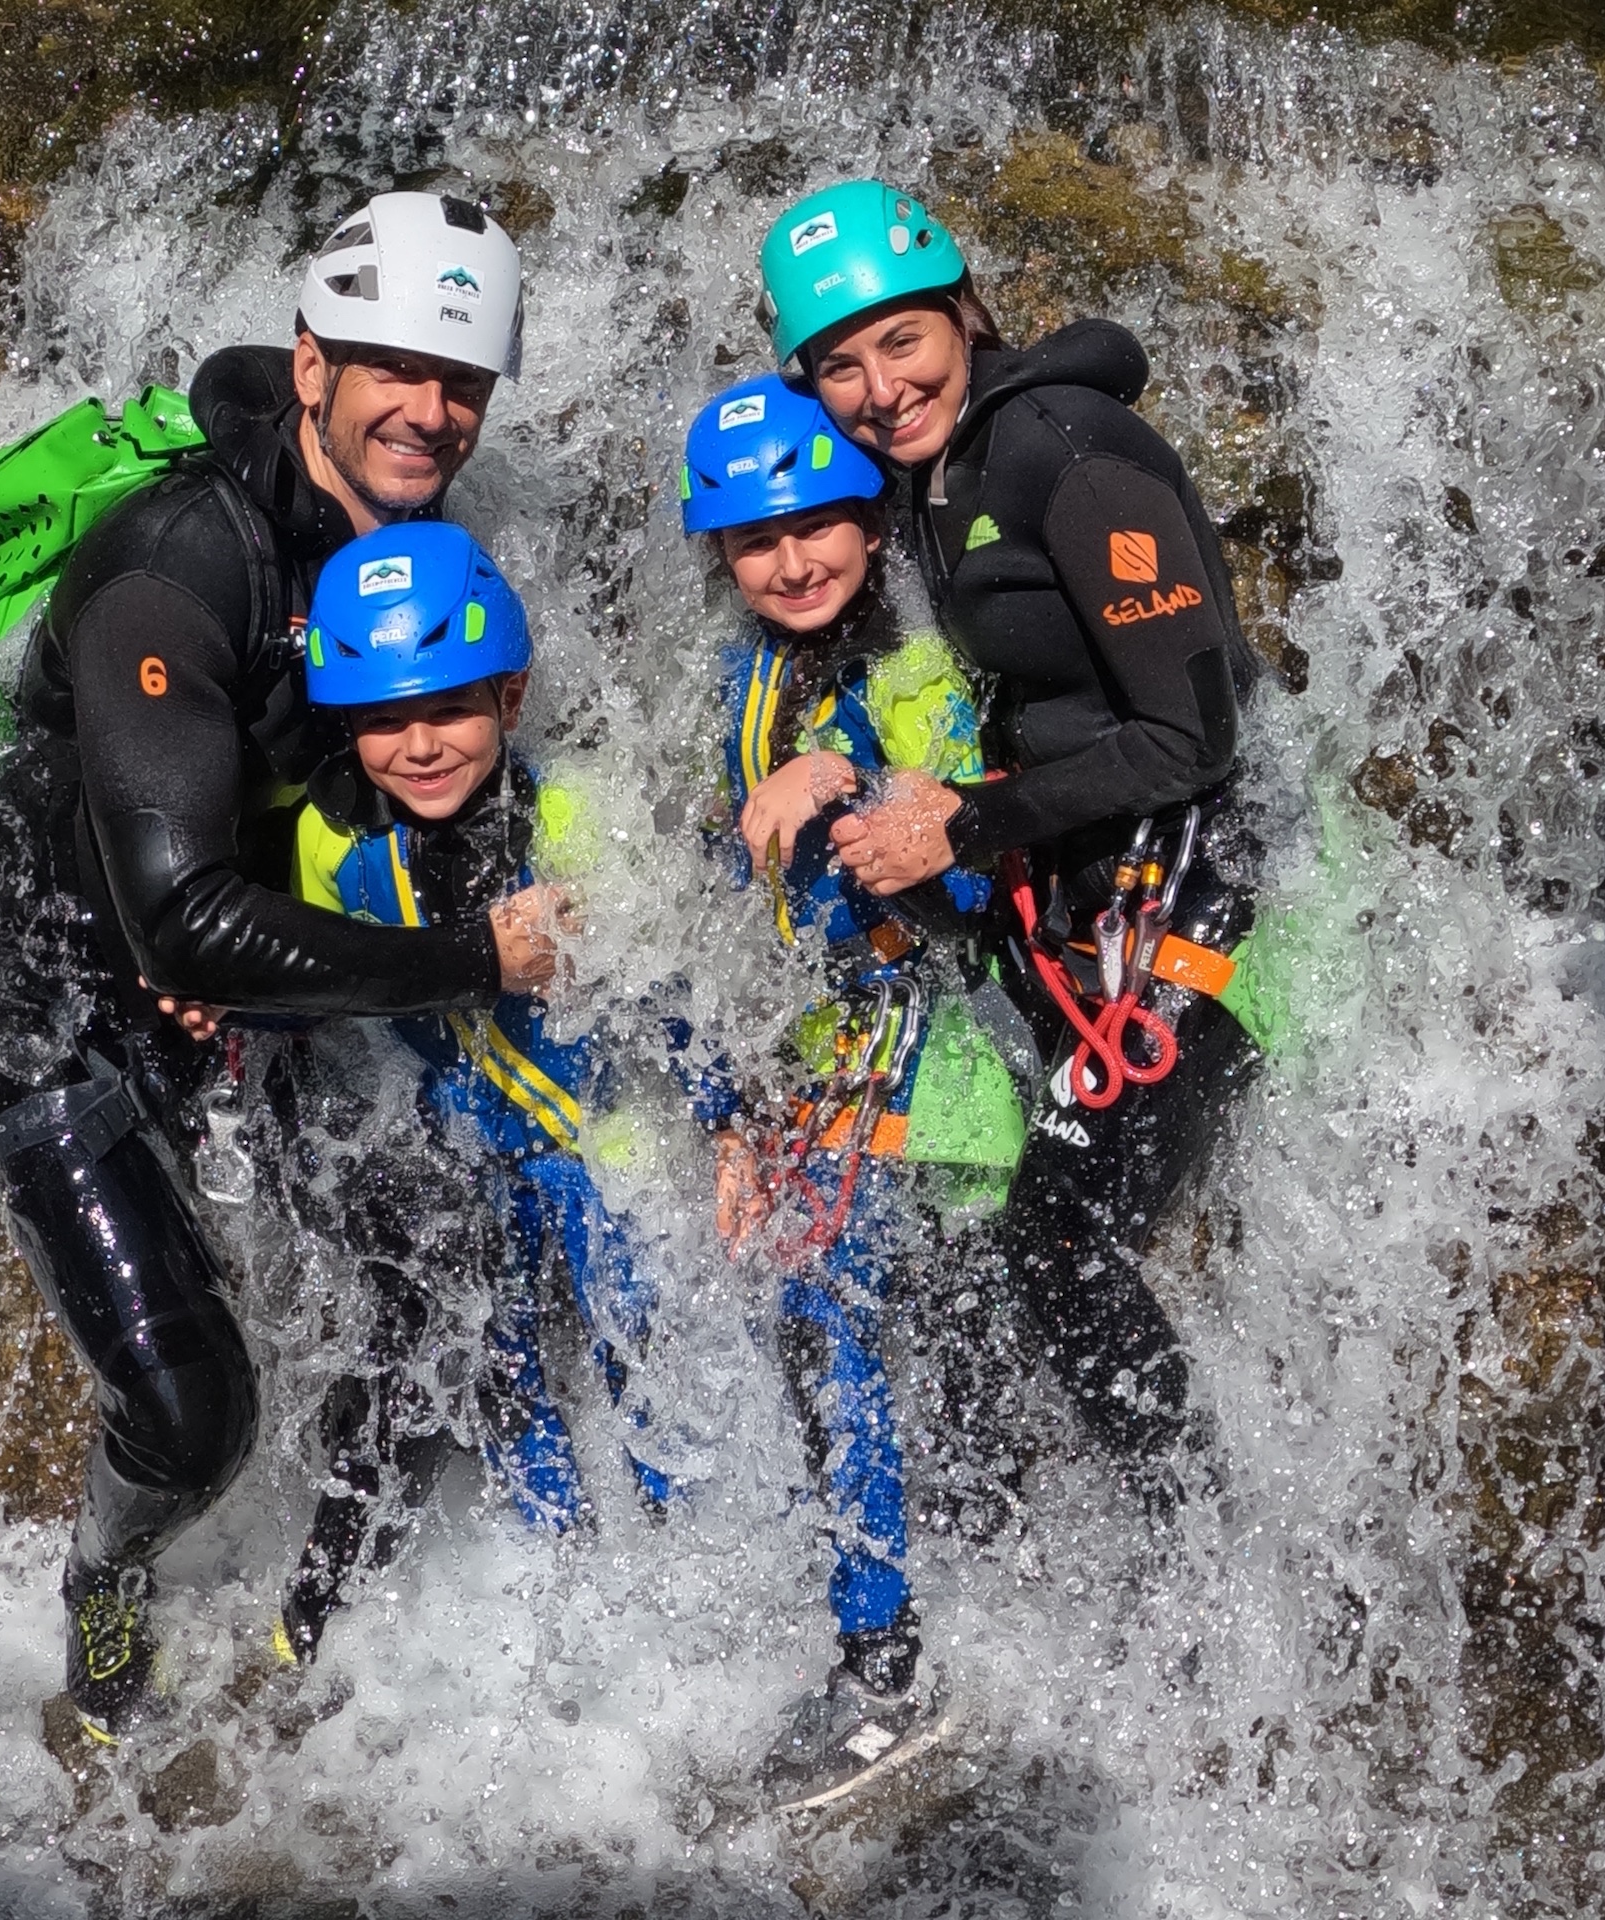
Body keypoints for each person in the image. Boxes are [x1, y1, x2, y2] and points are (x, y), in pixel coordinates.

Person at [0, 190, 558, 1739]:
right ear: (311, 367)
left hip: (255, 988)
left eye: (461, 381)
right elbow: (177, 921)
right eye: (392, 371)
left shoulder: (407, 545)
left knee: (440, 1289)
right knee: (188, 1411)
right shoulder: (175, 563)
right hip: (63, 1010)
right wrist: (469, 958)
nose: (431, 410)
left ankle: (304, 1651)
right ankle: (103, 1588)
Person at [754, 180, 1266, 1496]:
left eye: (904, 342)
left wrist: (964, 825)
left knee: (1057, 1245)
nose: (878, 386)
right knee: (992, 1255)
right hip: (1096, 922)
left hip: (1203, 913)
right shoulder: (938, 473)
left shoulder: (1062, 447)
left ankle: (1213, 1561)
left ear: (966, 313)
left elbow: (1191, 737)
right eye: (840, 365)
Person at [682, 374, 1028, 1808]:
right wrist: (726, 1113)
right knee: (845, 1344)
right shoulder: (741, 680)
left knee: (850, 1330)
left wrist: (846, 770)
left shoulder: (922, 664)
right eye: (757, 543)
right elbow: (719, 910)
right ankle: (927, 1635)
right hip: (836, 1066)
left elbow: (976, 865)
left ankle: (889, 1671)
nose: (794, 560)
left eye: (821, 523)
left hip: (958, 1051)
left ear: (873, 528)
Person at [273, 520, 690, 1665]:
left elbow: (673, 996)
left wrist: (726, 1120)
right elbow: (323, 1006)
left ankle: (690, 1576)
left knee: (635, 1338)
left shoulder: (571, 817)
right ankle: (565, 1586)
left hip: (600, 1141)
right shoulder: (330, 844)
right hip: (457, 1151)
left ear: (510, 700)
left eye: (448, 710)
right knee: (501, 1368)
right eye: (384, 722)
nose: (419, 746)